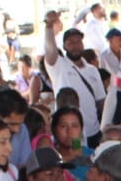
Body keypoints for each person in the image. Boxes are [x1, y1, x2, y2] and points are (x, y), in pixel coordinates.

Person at [43, 13, 107, 144]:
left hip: (93, 132)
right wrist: (49, 27)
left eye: (78, 42)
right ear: (64, 46)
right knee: (77, 163)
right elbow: (50, 51)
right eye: (71, 42)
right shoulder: (59, 65)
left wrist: (105, 126)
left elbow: (101, 102)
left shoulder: (93, 70)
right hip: (71, 135)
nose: (75, 45)